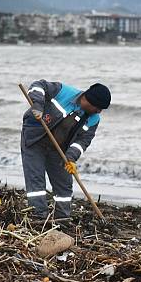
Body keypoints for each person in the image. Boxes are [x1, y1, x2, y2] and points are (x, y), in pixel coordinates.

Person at [21, 79, 111, 220]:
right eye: (98, 108)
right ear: (88, 100)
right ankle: (38, 217)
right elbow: (38, 86)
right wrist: (38, 104)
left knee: (64, 185)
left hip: (59, 149)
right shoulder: (63, 91)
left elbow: (83, 141)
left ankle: (62, 219)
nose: (99, 112)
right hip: (35, 138)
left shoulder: (94, 119)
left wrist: (70, 158)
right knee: (36, 180)